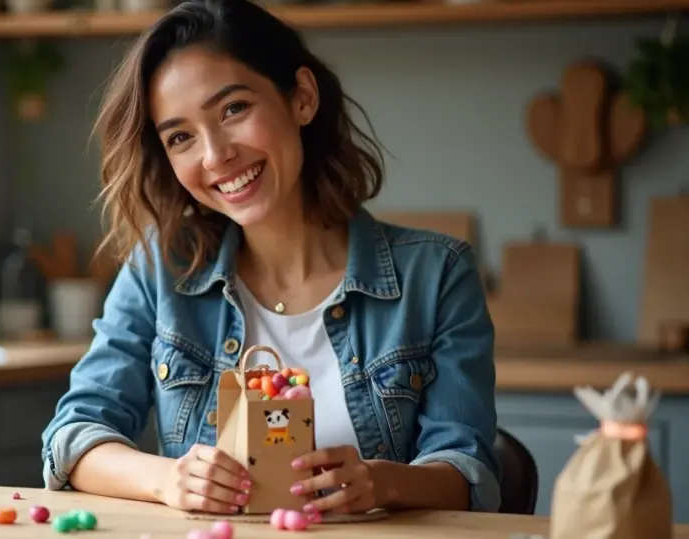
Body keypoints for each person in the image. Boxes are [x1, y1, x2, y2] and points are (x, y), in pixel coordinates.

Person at [40, 0, 501, 517]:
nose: (215, 155)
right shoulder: (159, 271)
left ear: (301, 98)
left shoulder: (437, 274)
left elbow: (469, 472)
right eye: (181, 137)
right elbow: (74, 437)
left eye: (233, 109)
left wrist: (383, 483)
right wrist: (168, 479)